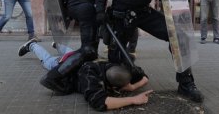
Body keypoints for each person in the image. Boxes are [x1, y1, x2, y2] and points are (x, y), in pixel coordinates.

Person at [18, 39, 152, 111]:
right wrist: (133, 99)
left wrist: (135, 86)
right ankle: (32, 45)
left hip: (78, 57)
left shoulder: (116, 67)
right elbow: (101, 103)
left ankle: (57, 44)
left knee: (71, 52)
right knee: (48, 61)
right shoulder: (89, 77)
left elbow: (142, 76)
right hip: (65, 65)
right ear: (110, 84)